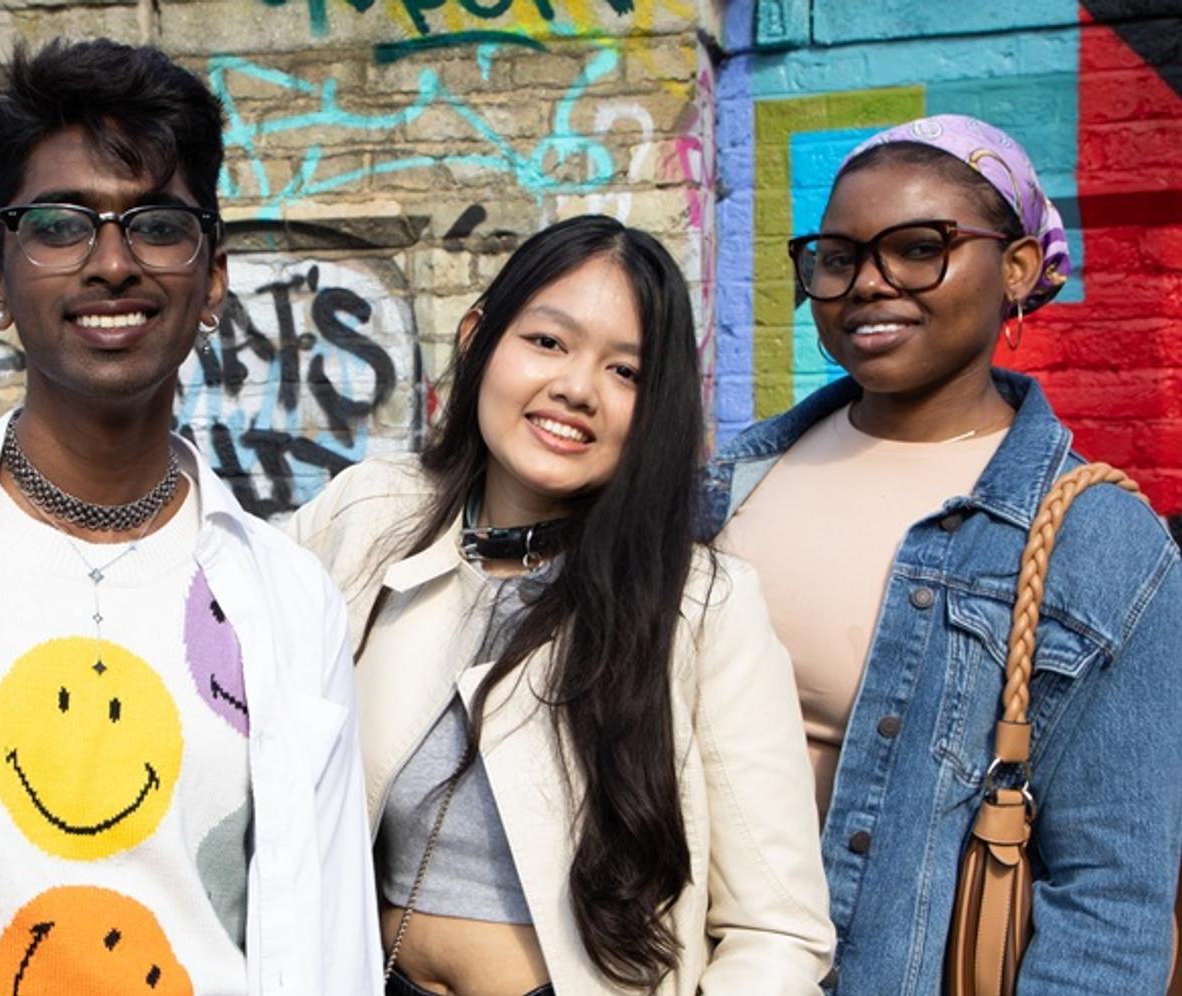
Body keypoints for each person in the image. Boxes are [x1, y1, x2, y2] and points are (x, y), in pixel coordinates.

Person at [0, 38, 380, 995]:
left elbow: (328, 938)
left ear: (212, 278)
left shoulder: (287, 601)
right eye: (58, 225)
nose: (111, 263)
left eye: (157, 225)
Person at [288, 214, 834, 996]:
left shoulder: (701, 606)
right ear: (479, 339)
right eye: (548, 342)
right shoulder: (368, 514)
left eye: (626, 373)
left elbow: (774, 930)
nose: (577, 389)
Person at [703, 114, 1182, 994]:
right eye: (838, 257)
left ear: (1017, 269)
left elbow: (1112, 899)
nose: (868, 284)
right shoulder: (729, 481)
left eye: (919, 248)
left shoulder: (1097, 538)